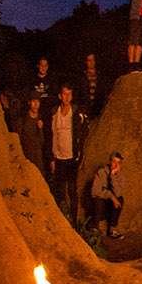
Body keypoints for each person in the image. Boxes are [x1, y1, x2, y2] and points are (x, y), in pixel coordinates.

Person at [46, 85, 82, 217]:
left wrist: (79, 154)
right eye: (64, 94)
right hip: (59, 158)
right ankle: (61, 217)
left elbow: (82, 134)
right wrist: (51, 157)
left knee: (72, 189)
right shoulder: (54, 111)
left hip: (72, 158)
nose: (66, 97)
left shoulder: (76, 111)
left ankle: (74, 218)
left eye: (69, 94)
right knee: (60, 190)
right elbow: (51, 134)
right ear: (60, 96)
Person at [90, 151, 126, 238]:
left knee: (120, 200)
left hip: (109, 206)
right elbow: (95, 191)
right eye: (114, 161)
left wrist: (113, 176)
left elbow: (117, 194)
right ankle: (94, 229)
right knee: (98, 200)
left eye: (118, 162)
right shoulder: (101, 172)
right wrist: (111, 196)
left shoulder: (120, 177)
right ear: (109, 162)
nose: (116, 165)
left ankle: (112, 230)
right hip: (99, 205)